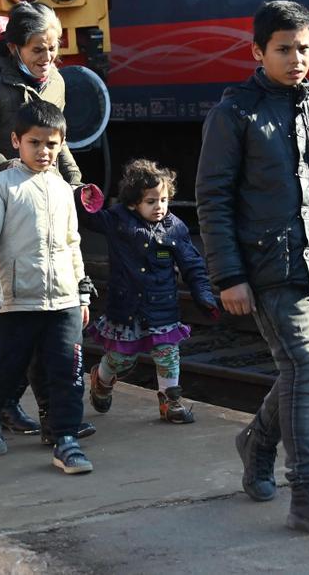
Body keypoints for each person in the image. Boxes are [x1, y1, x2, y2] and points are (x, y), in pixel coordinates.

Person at [196, 0, 309, 537]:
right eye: (283, 49)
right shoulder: (234, 114)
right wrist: (228, 275)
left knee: (308, 371)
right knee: (303, 367)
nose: (296, 58)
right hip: (268, 266)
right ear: (258, 52)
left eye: (304, 48)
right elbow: (214, 198)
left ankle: (257, 441)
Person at [0, 0, 93, 439]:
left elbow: (56, 139)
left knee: (47, 318)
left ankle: (52, 417)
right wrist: (7, 167)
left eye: (54, 49)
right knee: (2, 323)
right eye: (37, 51)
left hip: (43, 209)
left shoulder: (56, 82)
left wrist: (74, 182)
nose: (48, 60)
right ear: (14, 49)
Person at [0, 101, 91, 473]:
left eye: (52, 144)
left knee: (69, 370)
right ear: (16, 141)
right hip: (16, 299)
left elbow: (72, 242)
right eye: (35, 143)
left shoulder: (64, 189)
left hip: (63, 298)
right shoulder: (0, 187)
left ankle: (66, 440)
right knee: (8, 368)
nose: (44, 151)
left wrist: (80, 291)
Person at [78, 159, 217, 424]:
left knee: (168, 354)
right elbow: (89, 218)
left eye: (163, 200)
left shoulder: (174, 228)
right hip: (127, 309)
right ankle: (102, 377)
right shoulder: (117, 221)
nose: (159, 207)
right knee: (121, 357)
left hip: (162, 309)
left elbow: (192, 264)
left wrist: (204, 296)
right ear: (133, 202)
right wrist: (83, 195)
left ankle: (170, 402)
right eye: (151, 201)